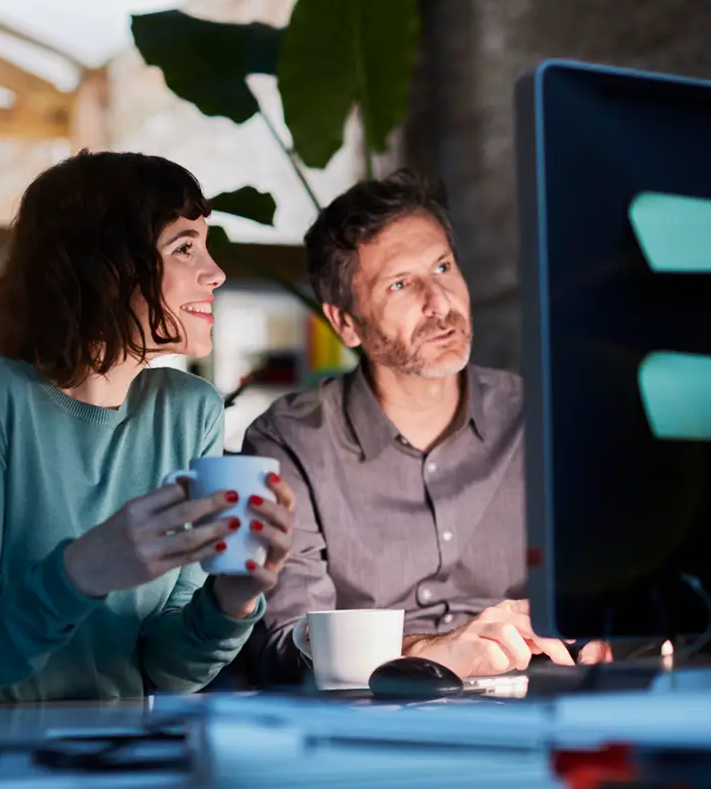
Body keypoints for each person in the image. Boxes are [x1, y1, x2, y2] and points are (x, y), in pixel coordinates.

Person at [0, 151, 297, 706]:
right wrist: (83, 570)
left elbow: (170, 669)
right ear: (107, 269)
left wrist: (233, 600)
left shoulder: (190, 410)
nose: (216, 272)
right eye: (184, 248)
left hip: (110, 752)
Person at [242, 170, 609, 685]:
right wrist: (434, 652)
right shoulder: (290, 443)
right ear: (345, 322)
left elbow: (610, 587)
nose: (440, 303)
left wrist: (609, 630)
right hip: (372, 724)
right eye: (400, 284)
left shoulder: (541, 416)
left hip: (542, 707)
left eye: (442, 267)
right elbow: (284, 643)